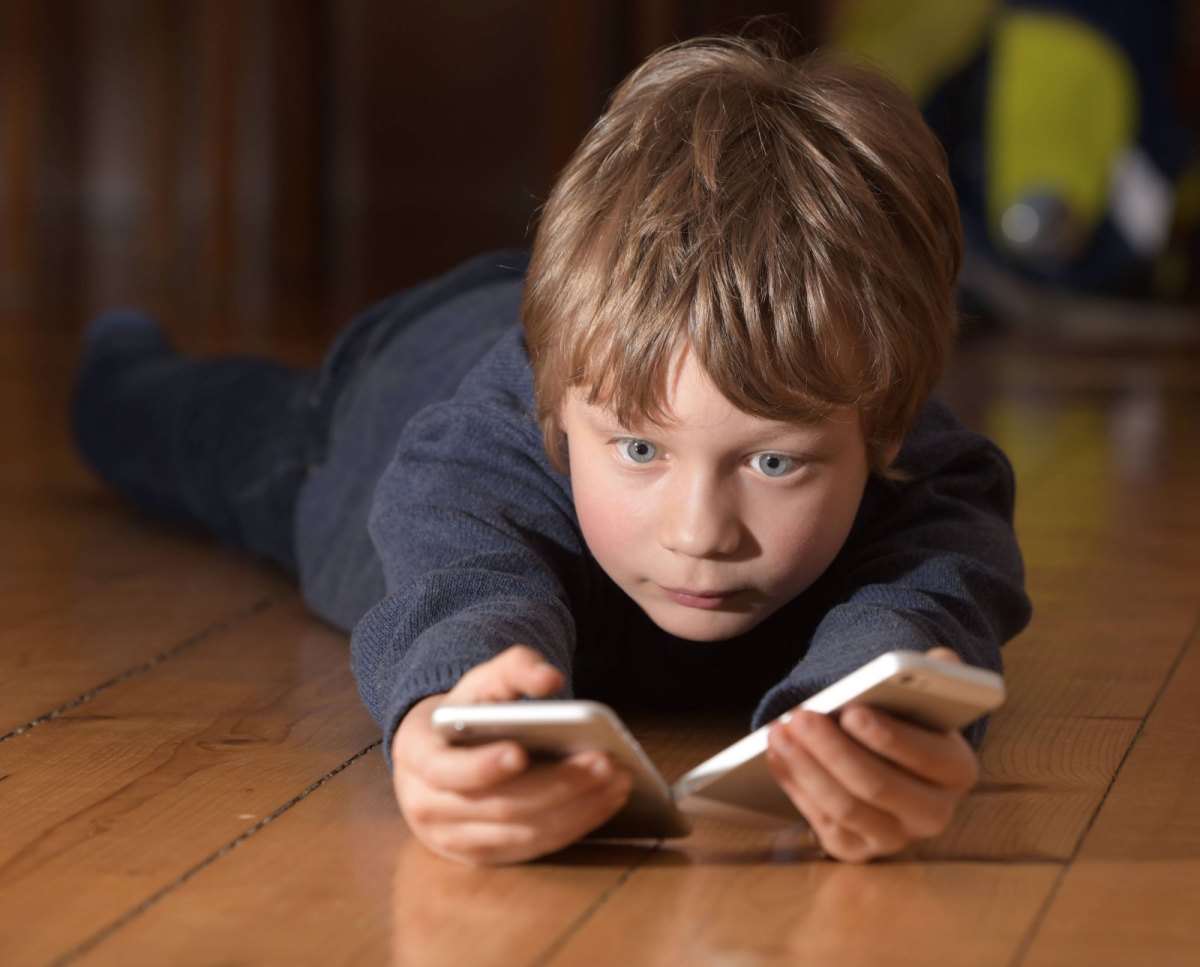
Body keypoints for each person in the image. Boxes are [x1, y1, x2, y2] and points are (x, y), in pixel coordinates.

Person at [72, 35, 1031, 866]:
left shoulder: (911, 455)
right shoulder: (474, 455)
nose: (700, 533)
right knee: (161, 426)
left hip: (587, 328)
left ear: (884, 431)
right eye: (640, 451)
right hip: (390, 381)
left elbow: (929, 592)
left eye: (773, 462)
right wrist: (452, 712)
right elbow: (466, 582)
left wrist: (869, 722)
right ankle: (119, 350)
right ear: (560, 414)